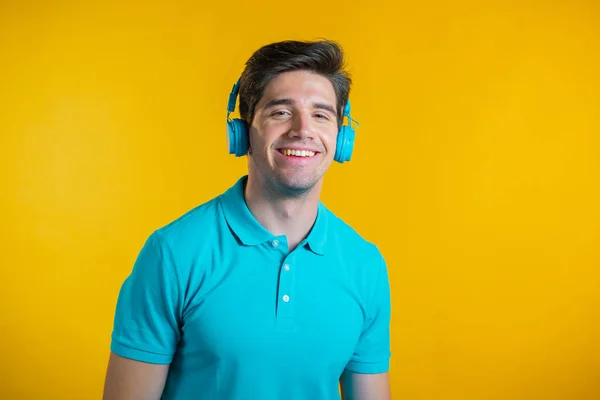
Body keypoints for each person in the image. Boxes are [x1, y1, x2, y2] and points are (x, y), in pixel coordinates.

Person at [102, 39, 392, 400]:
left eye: (321, 114)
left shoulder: (366, 264)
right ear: (243, 131)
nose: (302, 129)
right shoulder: (172, 254)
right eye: (281, 111)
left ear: (341, 136)